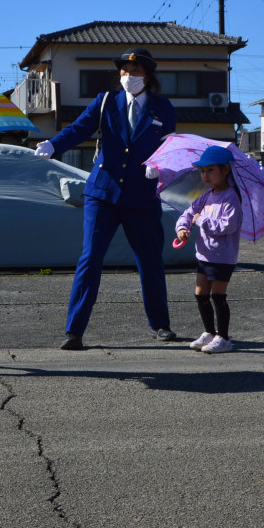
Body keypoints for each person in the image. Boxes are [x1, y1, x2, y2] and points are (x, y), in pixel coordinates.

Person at [35, 47, 177, 350]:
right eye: (124, 71)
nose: (128, 76)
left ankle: (160, 324)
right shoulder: (106, 101)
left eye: (135, 72)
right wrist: (54, 144)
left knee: (150, 260)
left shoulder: (162, 107)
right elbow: (79, 129)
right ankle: (74, 331)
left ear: (148, 76)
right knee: (90, 258)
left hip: (142, 195)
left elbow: (169, 145)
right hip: (103, 193)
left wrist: (160, 165)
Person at [174, 146, 243, 354]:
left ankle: (224, 338)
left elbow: (227, 226)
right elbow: (188, 213)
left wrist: (201, 220)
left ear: (225, 170)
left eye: (210, 170)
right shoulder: (206, 196)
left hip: (222, 256)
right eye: (202, 171)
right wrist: (182, 227)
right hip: (204, 254)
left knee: (218, 296)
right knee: (201, 294)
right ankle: (209, 332)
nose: (205, 175)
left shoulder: (231, 197)